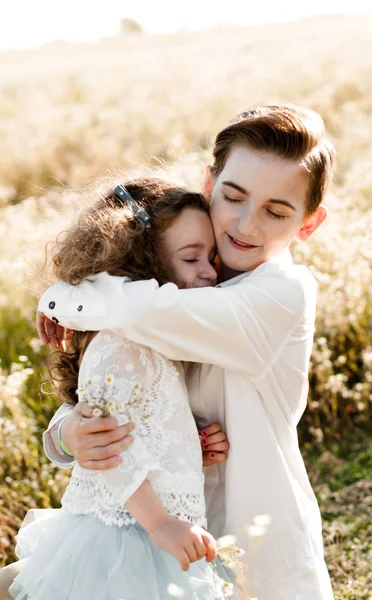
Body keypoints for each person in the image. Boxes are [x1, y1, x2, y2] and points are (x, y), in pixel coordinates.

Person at [37, 104, 336, 599]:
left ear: (308, 223)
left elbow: (138, 316)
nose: (247, 224)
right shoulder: (180, 273)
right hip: (158, 546)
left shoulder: (282, 293)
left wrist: (67, 296)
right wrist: (69, 434)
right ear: (208, 184)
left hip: (257, 550)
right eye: (233, 197)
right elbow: (112, 386)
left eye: (276, 211)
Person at [7, 179, 239, 600]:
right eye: (191, 258)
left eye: (212, 257)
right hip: (125, 535)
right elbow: (107, 449)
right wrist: (159, 524)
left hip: (145, 528)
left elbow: (141, 425)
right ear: (142, 265)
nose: (209, 271)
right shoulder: (118, 345)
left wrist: (184, 444)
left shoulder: (154, 340)